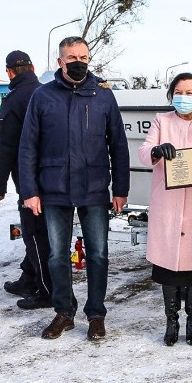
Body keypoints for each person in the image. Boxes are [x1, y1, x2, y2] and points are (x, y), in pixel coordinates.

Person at [19, 36, 129, 341]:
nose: (78, 62)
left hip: (94, 187)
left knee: (98, 254)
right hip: (53, 189)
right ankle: (64, 311)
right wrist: (29, 190)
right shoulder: (42, 96)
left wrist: (120, 188)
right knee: (56, 255)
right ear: (60, 61)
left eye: (83, 56)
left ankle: (96, 314)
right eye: (71, 57)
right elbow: (28, 147)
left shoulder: (103, 96)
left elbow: (118, 145)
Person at [138, 72, 192, 346]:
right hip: (167, 204)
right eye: (179, 91)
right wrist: (156, 151)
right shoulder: (161, 120)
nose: (183, 97)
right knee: (169, 266)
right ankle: (171, 321)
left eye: (190, 93)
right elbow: (144, 151)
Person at [0, 50, 53, 309]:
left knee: (35, 234)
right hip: (54, 176)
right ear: (33, 67)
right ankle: (28, 278)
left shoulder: (14, 100)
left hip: (29, 179)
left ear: (9, 72)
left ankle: (47, 290)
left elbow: (5, 145)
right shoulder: (48, 94)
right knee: (44, 232)